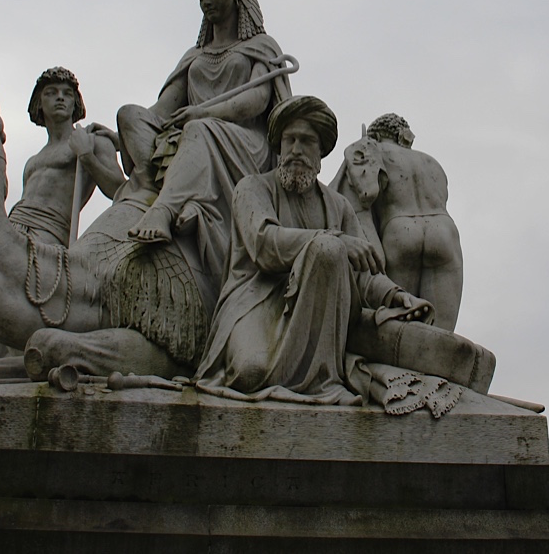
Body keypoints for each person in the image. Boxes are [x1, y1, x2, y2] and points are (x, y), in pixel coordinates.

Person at [194, 96, 431, 405]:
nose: (295, 150)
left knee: (328, 250)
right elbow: (264, 243)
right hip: (256, 301)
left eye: (306, 142)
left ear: (321, 153)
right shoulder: (252, 188)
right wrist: (333, 240)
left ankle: (321, 375)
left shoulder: (339, 206)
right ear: (278, 147)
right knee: (249, 374)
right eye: (289, 140)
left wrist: (396, 296)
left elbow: (363, 272)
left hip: (317, 314)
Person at [116, 0, 293, 287]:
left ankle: (165, 209)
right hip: (190, 132)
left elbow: (255, 101)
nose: (205, 1)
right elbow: (163, 109)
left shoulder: (262, 46)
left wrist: (203, 113)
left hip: (243, 141)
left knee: (200, 130)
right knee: (129, 113)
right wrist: (120, 133)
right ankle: (156, 187)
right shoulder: (194, 55)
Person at [331, 113, 464, 331]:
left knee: (401, 327)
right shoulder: (431, 162)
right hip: (444, 232)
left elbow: (359, 202)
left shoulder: (370, 151)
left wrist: (373, 257)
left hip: (400, 231)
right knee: (440, 334)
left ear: (375, 135)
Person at [9, 66, 125, 247]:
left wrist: (87, 156)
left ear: (75, 103)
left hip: (49, 236)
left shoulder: (93, 141)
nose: (60, 97)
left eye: (67, 94)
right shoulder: (32, 161)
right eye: (51, 93)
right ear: (39, 102)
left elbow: (120, 190)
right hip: (14, 228)